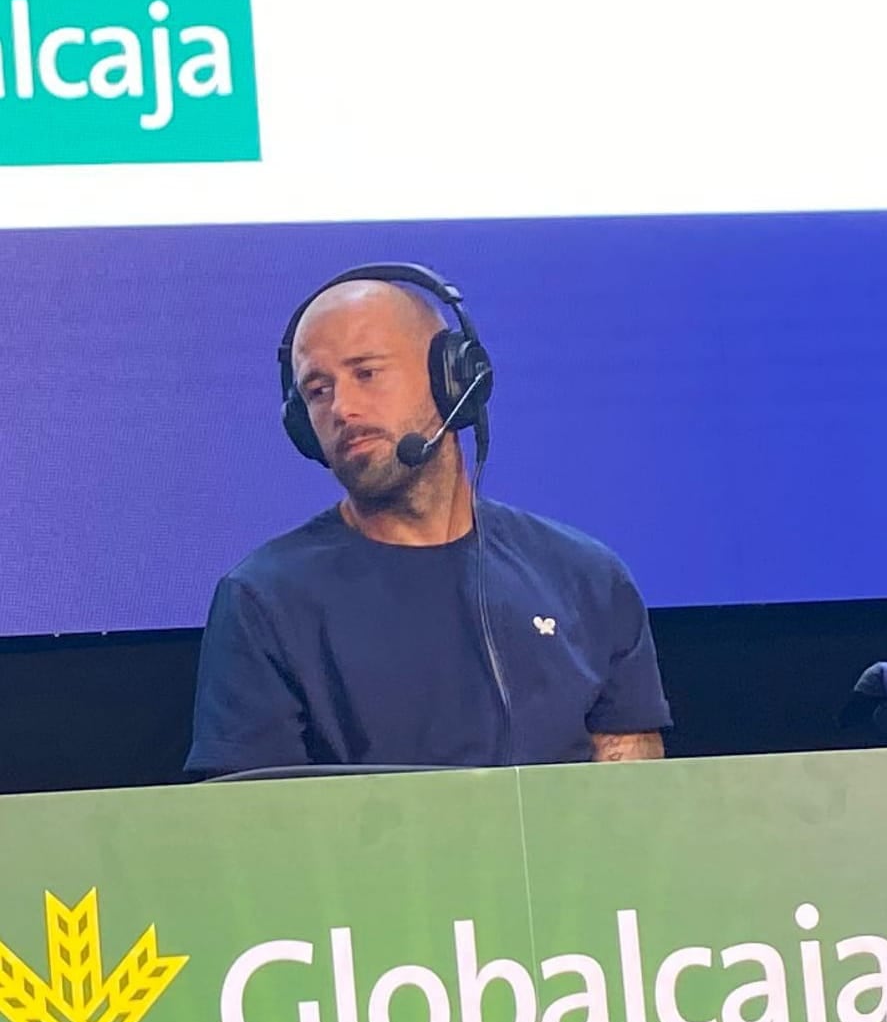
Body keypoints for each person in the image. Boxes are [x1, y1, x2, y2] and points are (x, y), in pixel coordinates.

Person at [185, 264, 670, 777]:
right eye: (318, 390)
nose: (343, 407)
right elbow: (249, 826)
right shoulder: (264, 599)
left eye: (366, 373)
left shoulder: (587, 578)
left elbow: (630, 801)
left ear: (453, 379)